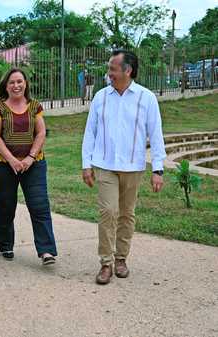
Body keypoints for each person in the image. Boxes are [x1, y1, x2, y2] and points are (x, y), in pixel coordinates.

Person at [81, 50, 166, 285]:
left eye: (112, 69)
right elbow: (90, 132)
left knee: (127, 214)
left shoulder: (146, 97)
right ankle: (106, 262)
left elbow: (156, 134)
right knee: (108, 211)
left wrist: (158, 170)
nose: (108, 73)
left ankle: (121, 258)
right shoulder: (100, 97)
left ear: (127, 71)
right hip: (105, 164)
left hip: (133, 166)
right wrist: (86, 164)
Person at [0, 68, 58, 265]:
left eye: (19, 81)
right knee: (6, 206)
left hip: (33, 165)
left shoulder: (35, 106)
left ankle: (46, 251)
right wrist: (11, 159)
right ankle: (5, 245)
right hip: (4, 165)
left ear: (25, 84)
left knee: (39, 206)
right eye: (12, 82)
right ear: (6, 85)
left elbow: (41, 133)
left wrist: (29, 158)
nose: (16, 85)